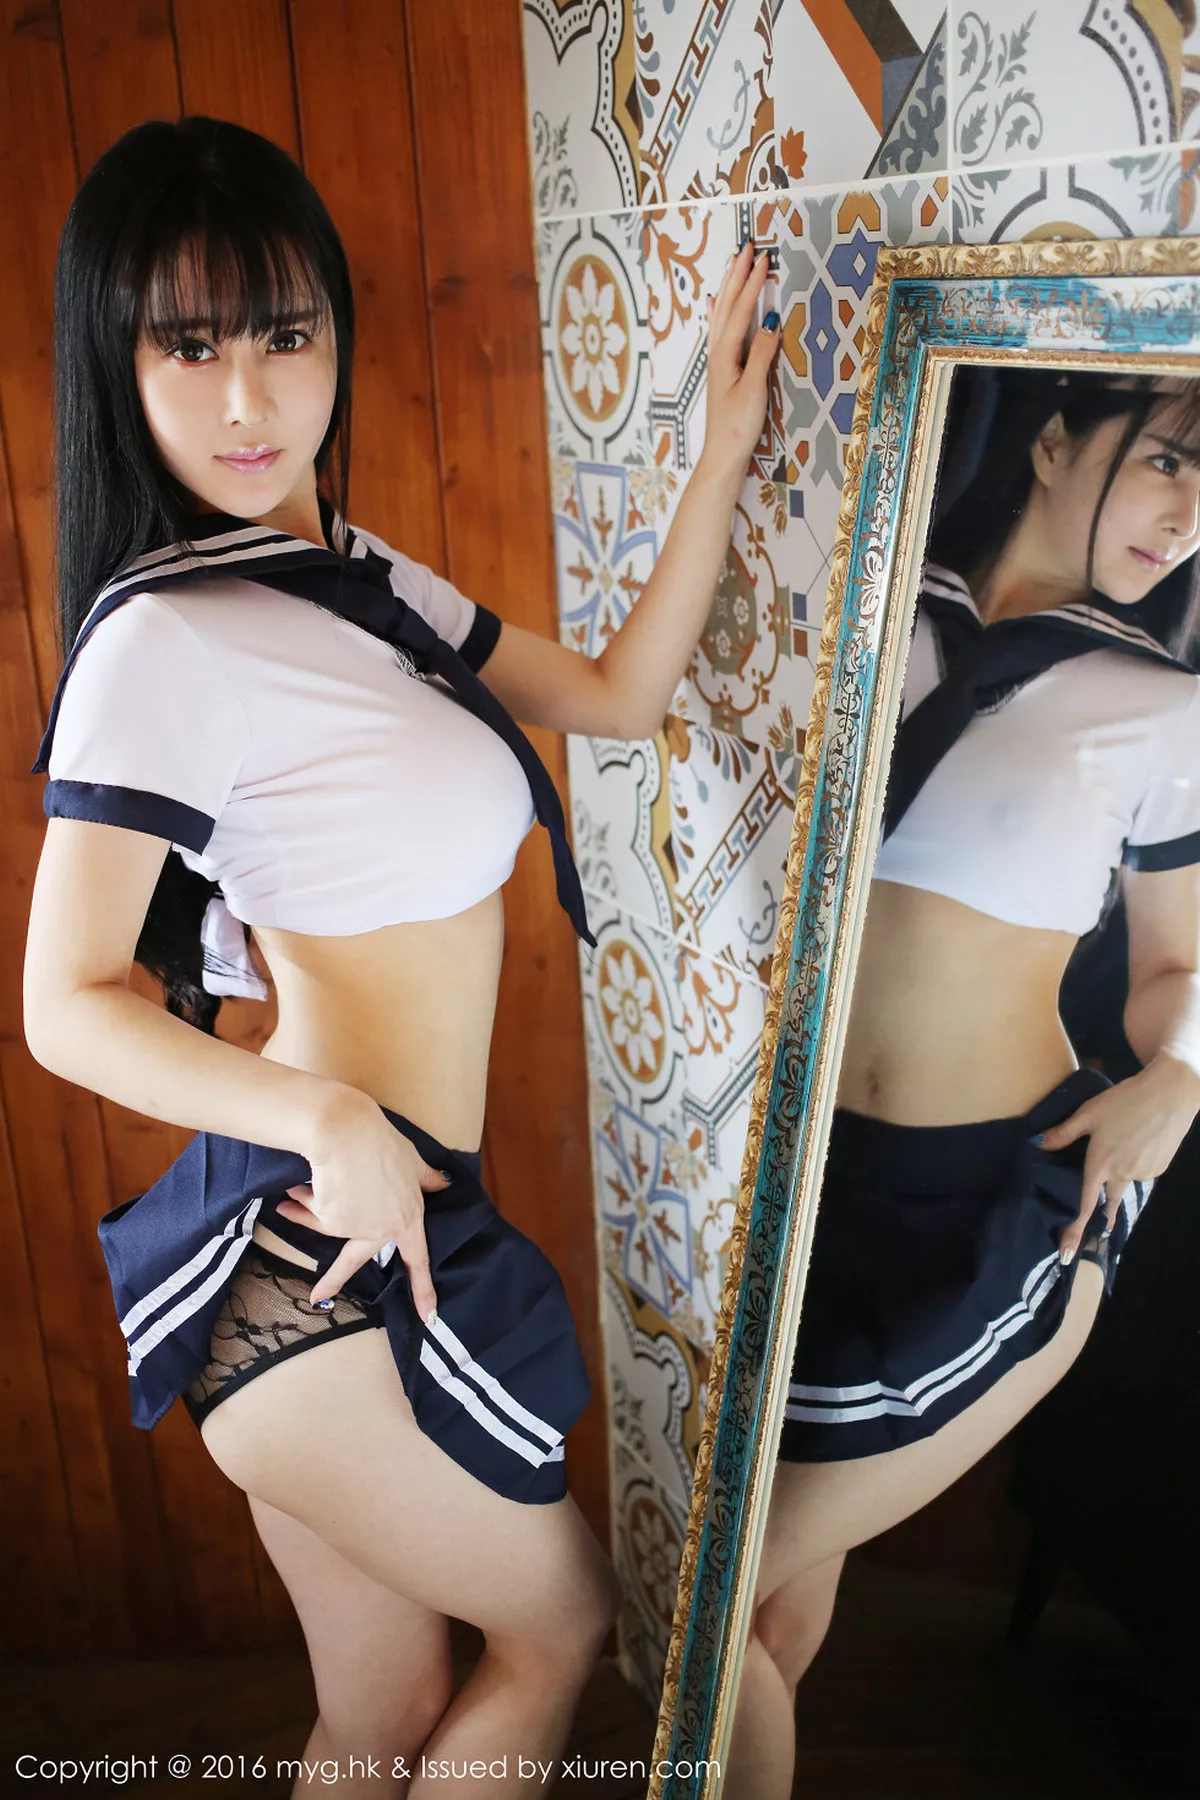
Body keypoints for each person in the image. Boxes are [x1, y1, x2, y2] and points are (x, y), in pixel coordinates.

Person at [21, 116, 780, 1798]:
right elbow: (61, 1008)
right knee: (563, 1635)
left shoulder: (352, 577)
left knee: (379, 1719)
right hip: (315, 1252)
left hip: (374, 1232)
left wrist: (726, 450)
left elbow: (618, 699)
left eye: (284, 334)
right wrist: (331, 1121)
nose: (247, 400)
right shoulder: (164, 638)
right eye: (189, 346)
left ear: (336, 336)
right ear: (118, 364)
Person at [725, 368, 1200, 1798]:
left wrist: (1180, 1076)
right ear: (1054, 439)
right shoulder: (864, 613)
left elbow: (1175, 966)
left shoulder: (1162, 706)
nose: (1189, 514)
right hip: (798, 1183)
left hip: (1001, 1203)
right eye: (1169, 459)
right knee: (767, 1621)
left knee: (717, 1602)